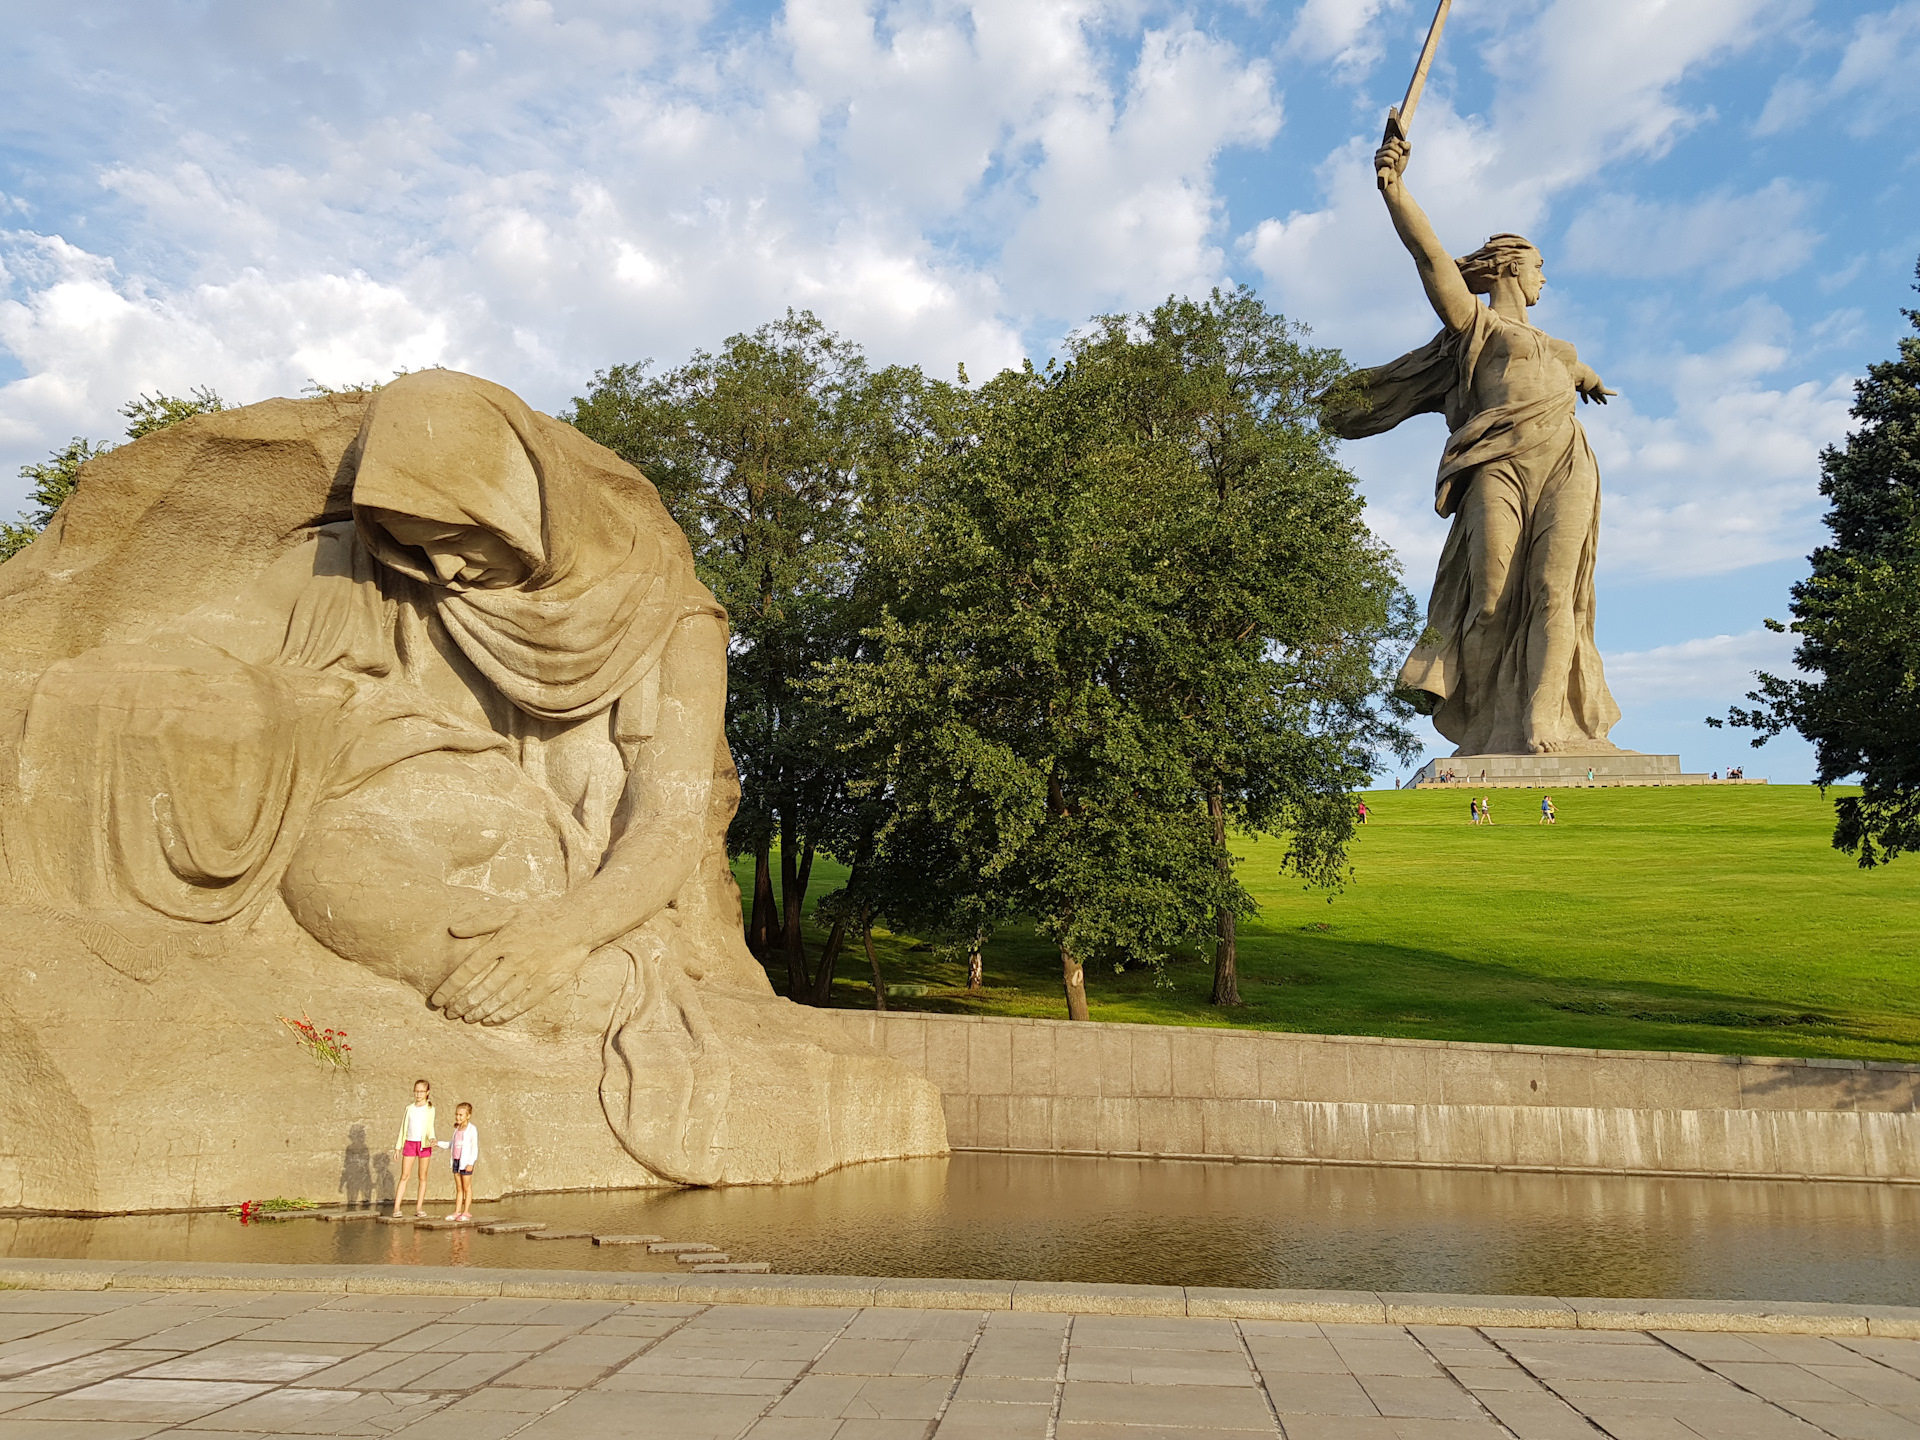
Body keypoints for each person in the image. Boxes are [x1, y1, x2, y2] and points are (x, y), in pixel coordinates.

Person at [1324, 134, 1622, 756]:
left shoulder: (1561, 348)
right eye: (1539, 266)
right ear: (1513, 267)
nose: (1545, 278)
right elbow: (1431, 258)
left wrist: (1585, 378)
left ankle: (1542, 721)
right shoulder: (1477, 325)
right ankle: (1487, 724)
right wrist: (1395, 189)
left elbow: (1573, 369)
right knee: (1488, 599)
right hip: (1497, 464)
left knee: (1554, 591)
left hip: (1566, 461)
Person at [392, 1079, 437, 1219]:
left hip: (423, 1145)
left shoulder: (430, 1109)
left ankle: (419, 1207)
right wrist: (398, 1147)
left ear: (427, 1092)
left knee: (422, 1176)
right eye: (416, 1091)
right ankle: (396, 1207)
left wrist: (432, 1138)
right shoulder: (409, 1108)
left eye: (421, 1091)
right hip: (410, 1143)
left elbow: (430, 1127)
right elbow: (403, 1129)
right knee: (404, 1176)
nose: (418, 1094)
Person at [446, 1103, 479, 1222]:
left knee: (466, 1187)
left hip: (465, 1162)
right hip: (456, 1161)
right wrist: (438, 1144)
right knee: (459, 1188)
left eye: (461, 1115)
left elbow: (474, 1148)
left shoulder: (471, 1129)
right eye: (457, 1114)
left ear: (468, 1115)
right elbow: (452, 1145)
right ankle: (457, 1211)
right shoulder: (457, 1130)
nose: (458, 1117)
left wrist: (471, 1162)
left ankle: (466, 1212)